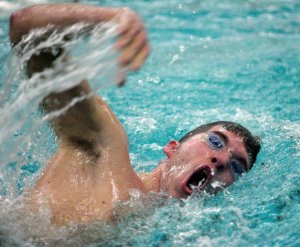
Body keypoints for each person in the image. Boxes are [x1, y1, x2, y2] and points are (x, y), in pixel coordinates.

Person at [9, 3, 261, 225]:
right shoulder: (104, 146)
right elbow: (26, 29)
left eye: (237, 167)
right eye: (215, 141)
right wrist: (111, 18)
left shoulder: (164, 230)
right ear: (172, 148)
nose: (221, 160)